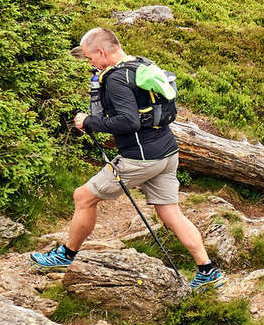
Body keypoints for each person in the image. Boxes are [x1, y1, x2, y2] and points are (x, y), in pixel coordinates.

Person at [32, 27, 220, 290]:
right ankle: (207, 270)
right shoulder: (141, 65)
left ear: (101, 51)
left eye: (89, 58)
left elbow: (129, 121)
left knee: (82, 197)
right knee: (171, 214)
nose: (90, 63)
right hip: (167, 152)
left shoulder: (116, 78)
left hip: (140, 159)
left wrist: (90, 121)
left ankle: (65, 255)